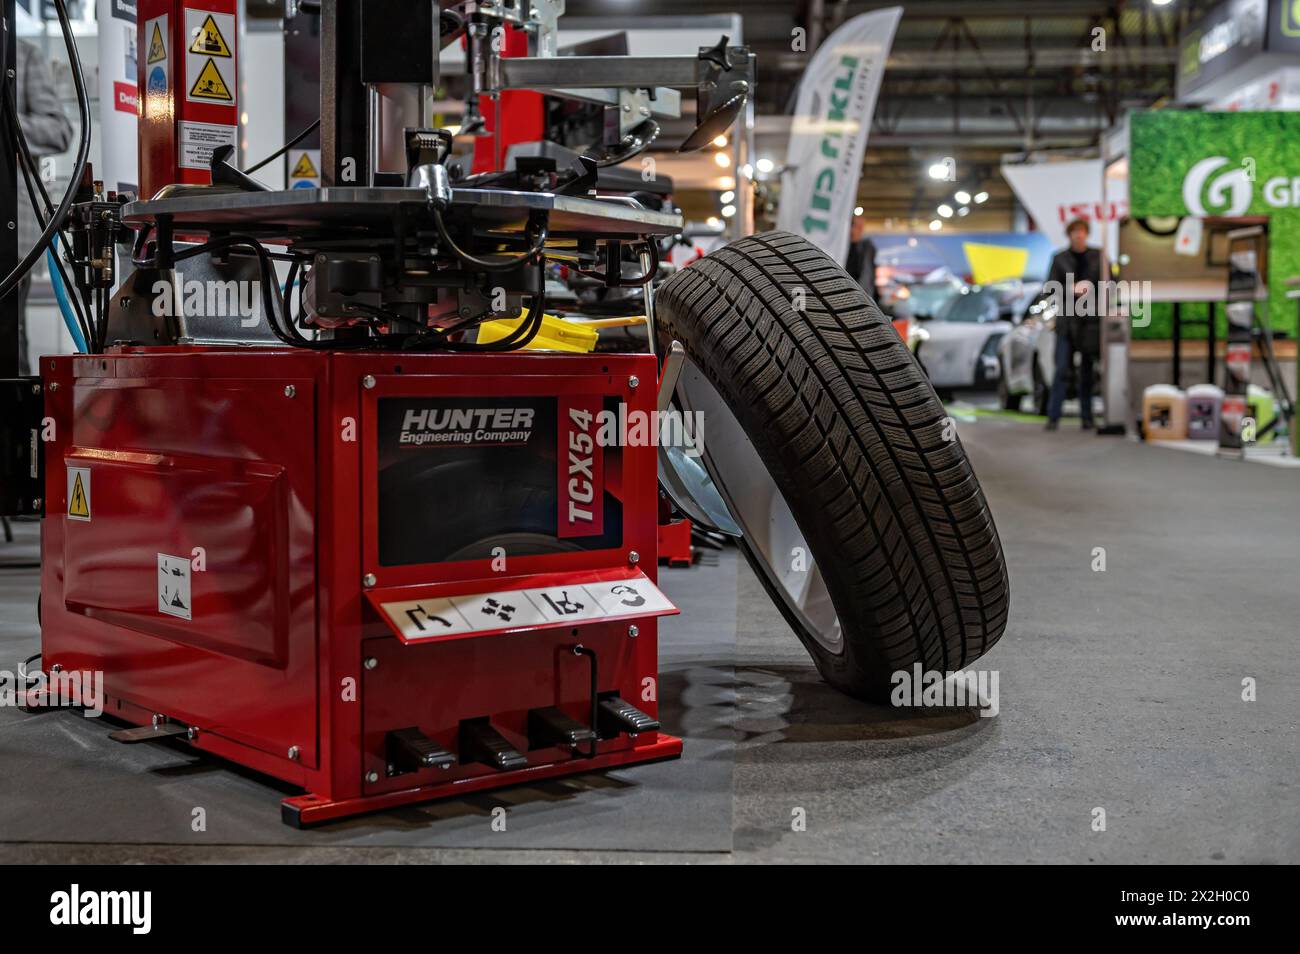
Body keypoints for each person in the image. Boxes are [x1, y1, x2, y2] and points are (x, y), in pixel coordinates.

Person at [12, 39, 74, 376]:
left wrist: (8, 121)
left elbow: (59, 130)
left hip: (8, 233)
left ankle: (12, 426)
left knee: (7, 340)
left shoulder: (21, 54)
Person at [1045, 217, 1101, 431]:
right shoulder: (1059, 259)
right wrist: (1071, 289)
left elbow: (1112, 283)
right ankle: (1053, 416)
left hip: (1090, 322)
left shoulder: (1099, 256)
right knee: (1061, 370)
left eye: (1082, 231)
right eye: (1074, 231)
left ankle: (1087, 417)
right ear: (1069, 235)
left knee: (1087, 371)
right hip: (1067, 322)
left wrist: (1091, 289)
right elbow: (1050, 288)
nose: (1078, 235)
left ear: (1087, 234)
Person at [844, 214, 878, 300]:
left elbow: (869, 273)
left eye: (861, 227)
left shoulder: (867, 248)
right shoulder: (843, 247)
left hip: (862, 295)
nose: (860, 230)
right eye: (857, 227)